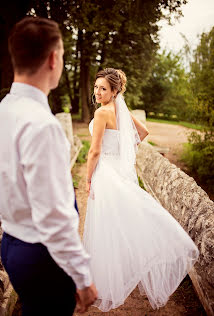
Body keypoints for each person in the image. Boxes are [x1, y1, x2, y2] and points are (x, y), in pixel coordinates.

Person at [0, 16, 97, 316]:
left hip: (11, 244)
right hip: (42, 255)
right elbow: (54, 217)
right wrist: (83, 277)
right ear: (54, 58)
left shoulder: (5, 109)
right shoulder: (42, 126)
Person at [83, 68, 199, 312]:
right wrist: (122, 151)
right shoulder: (120, 110)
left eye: (103, 88)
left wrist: (87, 178)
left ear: (115, 91)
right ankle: (121, 271)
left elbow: (94, 152)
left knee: (105, 224)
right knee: (122, 220)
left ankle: (106, 279)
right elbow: (143, 133)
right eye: (96, 87)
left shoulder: (102, 112)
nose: (98, 92)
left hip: (105, 173)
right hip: (118, 171)